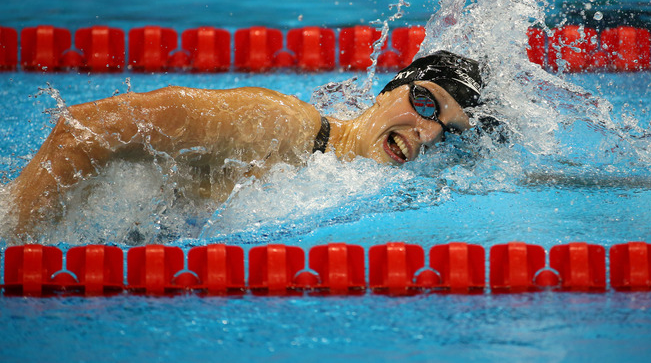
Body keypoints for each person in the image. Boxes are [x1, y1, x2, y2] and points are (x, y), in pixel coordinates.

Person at [8, 50, 485, 236]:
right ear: (390, 91)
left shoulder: (345, 179)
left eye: (448, 131)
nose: (428, 133)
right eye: (427, 105)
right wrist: (21, 248)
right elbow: (84, 130)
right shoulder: (272, 125)